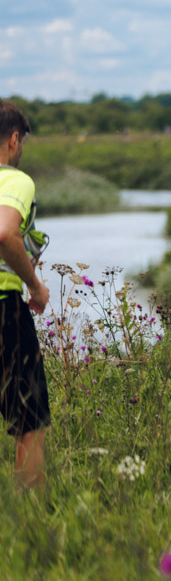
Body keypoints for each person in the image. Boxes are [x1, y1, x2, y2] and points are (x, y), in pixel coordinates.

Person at [0, 101, 51, 491]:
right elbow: (4, 232)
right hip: (4, 310)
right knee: (30, 423)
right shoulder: (14, 180)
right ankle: (28, 516)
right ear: (14, 139)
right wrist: (34, 286)